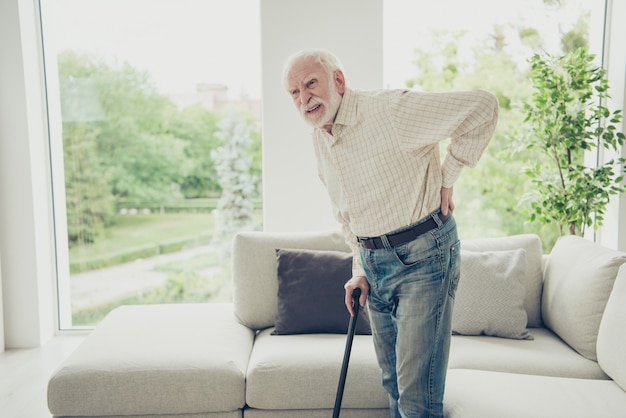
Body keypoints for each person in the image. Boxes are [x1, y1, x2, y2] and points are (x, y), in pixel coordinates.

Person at [283, 48, 499, 418]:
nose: (305, 99)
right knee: (394, 386)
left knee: (417, 398)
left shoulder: (390, 111)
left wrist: (449, 176)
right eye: (295, 93)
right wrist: (360, 270)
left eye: (311, 84)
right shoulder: (321, 137)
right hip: (374, 266)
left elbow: (482, 107)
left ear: (338, 80)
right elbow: (347, 214)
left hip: (424, 259)